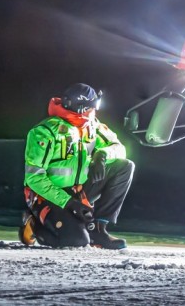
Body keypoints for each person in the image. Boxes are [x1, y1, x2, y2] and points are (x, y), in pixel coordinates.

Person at [20, 83, 134, 250]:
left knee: (124, 167)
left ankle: (99, 231)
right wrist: (69, 203)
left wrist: (101, 156)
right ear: (83, 108)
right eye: (94, 105)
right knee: (76, 241)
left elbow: (120, 149)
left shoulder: (92, 125)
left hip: (78, 191)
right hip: (48, 196)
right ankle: (34, 224)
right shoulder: (44, 132)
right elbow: (34, 178)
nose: (96, 110)